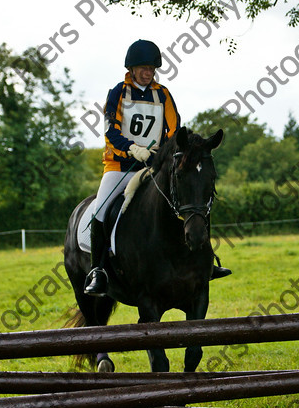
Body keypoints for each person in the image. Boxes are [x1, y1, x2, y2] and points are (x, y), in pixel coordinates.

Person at [85, 39, 230, 296]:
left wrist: (163, 154)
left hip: (155, 163)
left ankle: (206, 259)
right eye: (143, 68)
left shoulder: (162, 94)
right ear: (131, 69)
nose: (148, 72)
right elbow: (110, 129)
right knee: (101, 209)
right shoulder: (118, 92)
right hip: (120, 164)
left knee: (192, 196)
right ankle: (98, 270)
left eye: (151, 68)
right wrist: (132, 148)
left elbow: (174, 130)